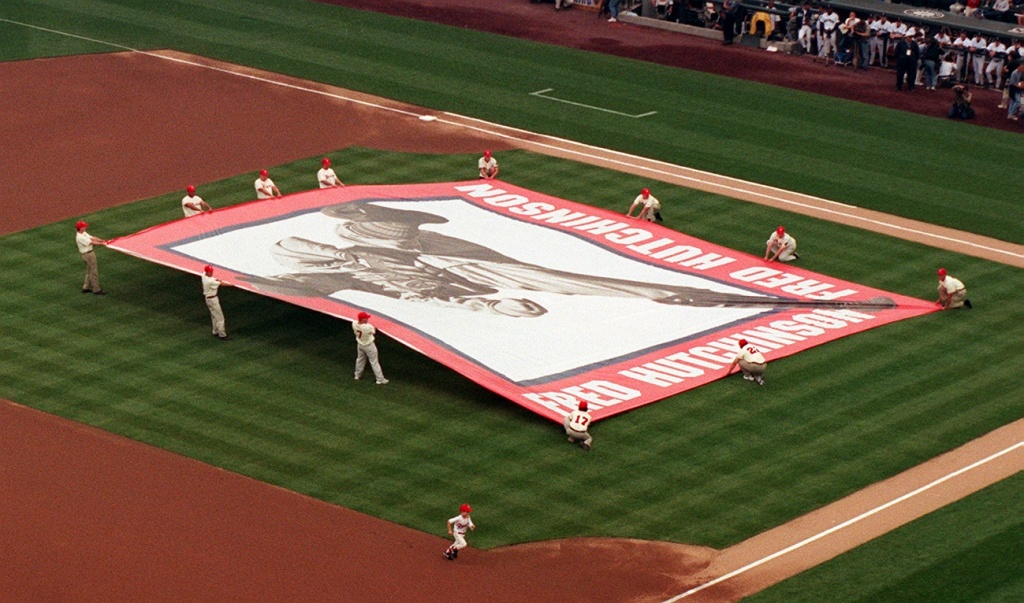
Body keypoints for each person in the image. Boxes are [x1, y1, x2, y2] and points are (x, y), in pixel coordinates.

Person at [353, 311, 388, 384]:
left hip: (360, 344)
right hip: (369, 345)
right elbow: (374, 330)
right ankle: (380, 379)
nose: (367, 319)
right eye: (366, 318)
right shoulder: (368, 327)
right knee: (374, 361)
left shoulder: (354, 323)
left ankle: (357, 375)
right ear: (363, 319)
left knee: (360, 359)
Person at [76, 220, 109, 294]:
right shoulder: (80, 237)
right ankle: (96, 289)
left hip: (88, 254)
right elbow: (91, 242)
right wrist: (102, 244)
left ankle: (85, 287)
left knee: (89, 271)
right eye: (84, 226)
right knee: (93, 271)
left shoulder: (83, 233)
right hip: (88, 255)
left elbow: (92, 238)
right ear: (81, 228)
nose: (85, 227)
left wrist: (102, 240)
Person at [202, 265, 231, 340]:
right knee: (220, 317)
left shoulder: (203, 276)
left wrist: (218, 280)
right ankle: (222, 334)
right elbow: (222, 284)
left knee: (214, 315)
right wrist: (233, 284)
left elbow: (215, 280)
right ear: (208, 272)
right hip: (213, 299)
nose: (212, 273)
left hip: (208, 298)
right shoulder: (210, 281)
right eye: (210, 271)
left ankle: (215, 331)